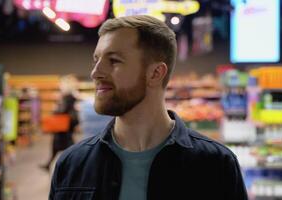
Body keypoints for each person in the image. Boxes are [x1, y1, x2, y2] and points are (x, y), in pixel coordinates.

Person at [49, 15, 248, 200]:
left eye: (114, 61)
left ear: (155, 73)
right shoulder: (72, 164)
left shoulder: (216, 165)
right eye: (96, 60)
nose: (95, 72)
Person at [40, 75, 79, 171]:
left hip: (64, 126)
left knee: (64, 145)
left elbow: (63, 110)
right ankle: (50, 164)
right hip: (66, 125)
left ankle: (74, 166)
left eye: (61, 84)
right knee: (61, 145)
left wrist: (55, 110)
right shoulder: (69, 97)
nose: (60, 86)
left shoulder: (67, 97)